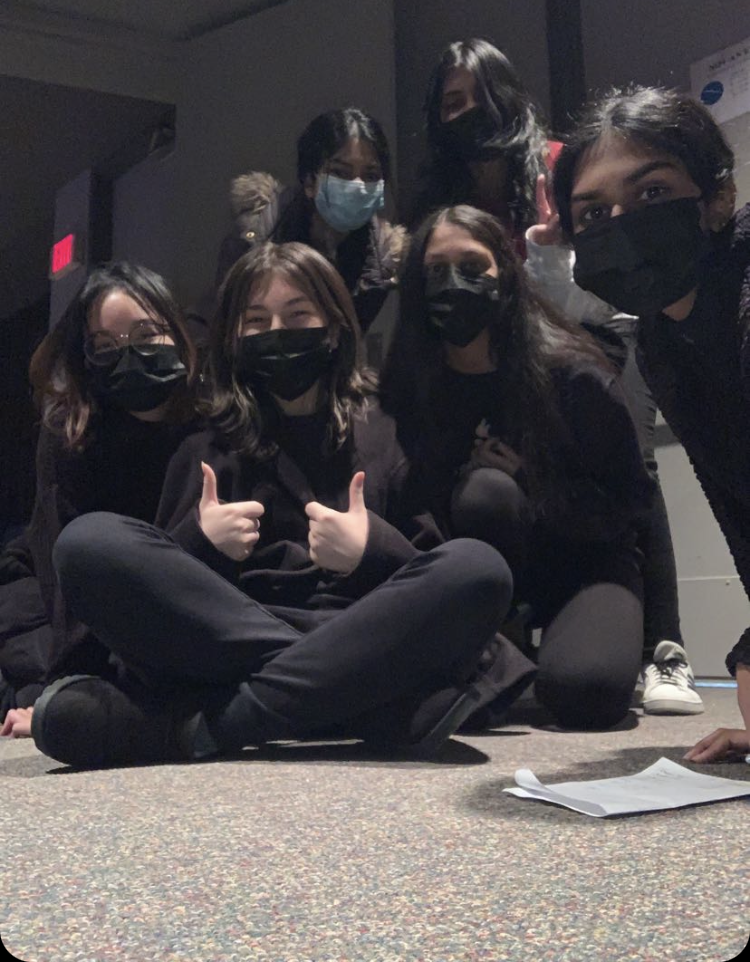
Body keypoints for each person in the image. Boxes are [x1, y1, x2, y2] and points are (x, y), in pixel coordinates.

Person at [26, 241, 535, 769]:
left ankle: (228, 723)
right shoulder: (203, 439)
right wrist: (201, 543)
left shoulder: (388, 429)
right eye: (257, 321)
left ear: (333, 327)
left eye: (297, 315)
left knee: (479, 566)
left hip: (364, 629)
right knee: (88, 543)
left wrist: (371, 550)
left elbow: (429, 575)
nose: (277, 332)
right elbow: (162, 595)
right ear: (234, 337)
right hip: (253, 642)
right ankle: (367, 704)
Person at [411, 37, 700, 715]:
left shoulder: (557, 167)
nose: (468, 111)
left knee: (633, 465)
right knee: (498, 476)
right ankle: (512, 632)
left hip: (597, 327)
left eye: (480, 94)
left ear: (507, 93)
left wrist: (548, 260)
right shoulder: (442, 198)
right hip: (513, 356)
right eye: (452, 102)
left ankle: (665, 649)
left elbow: (599, 272)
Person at [380, 204, 654, 731]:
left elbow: (630, 507)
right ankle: (498, 640)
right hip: (476, 574)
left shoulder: (574, 375)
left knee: (587, 694)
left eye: (471, 266)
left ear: (505, 273)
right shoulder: (410, 385)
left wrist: (534, 484)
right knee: (484, 493)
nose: (453, 283)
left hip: (583, 565)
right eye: (435, 270)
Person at [551, 84, 749, 759]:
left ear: (718, 196)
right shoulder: (664, 341)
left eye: (653, 193)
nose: (621, 223)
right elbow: (739, 510)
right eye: (594, 212)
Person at [0, 263, 199, 731]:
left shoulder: (207, 417)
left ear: (175, 332)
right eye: (106, 346)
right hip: (52, 589)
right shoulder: (71, 430)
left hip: (154, 588)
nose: (128, 355)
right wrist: (67, 687)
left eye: (146, 335)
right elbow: (61, 558)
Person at [215, 107, 406, 333]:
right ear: (309, 181)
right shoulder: (253, 240)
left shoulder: (383, 258)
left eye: (371, 175)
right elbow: (224, 330)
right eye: (340, 172)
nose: (358, 186)